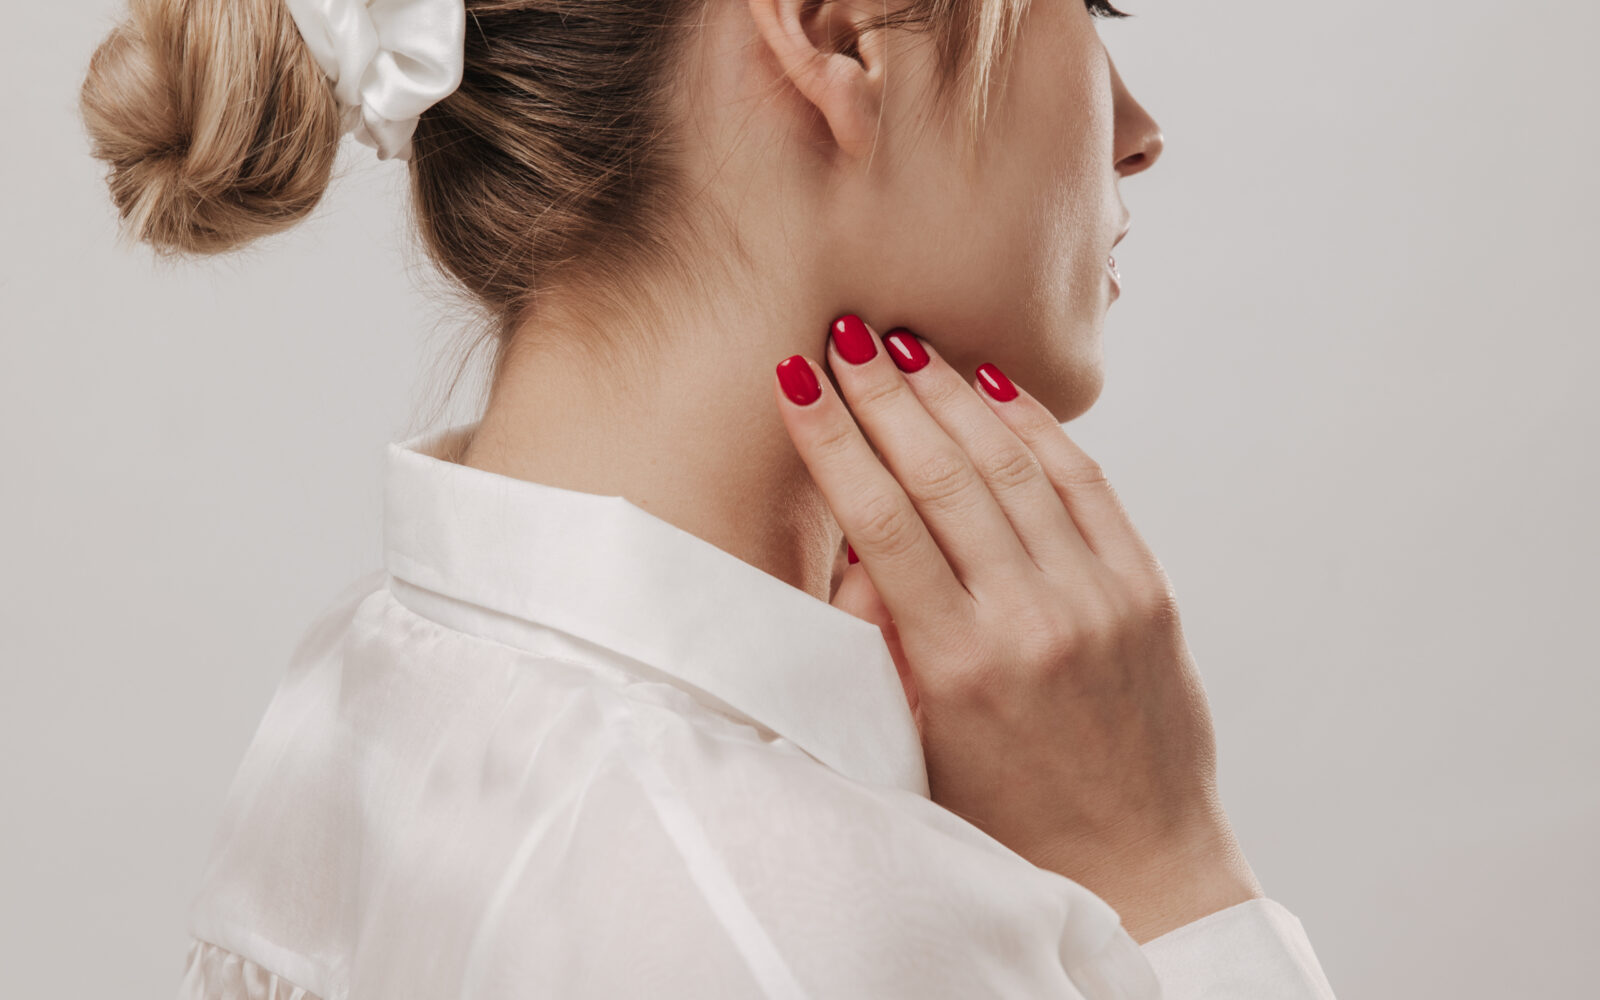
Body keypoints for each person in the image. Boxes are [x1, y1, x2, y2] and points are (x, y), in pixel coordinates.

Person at [80, 0, 1341, 996]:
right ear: (838, 29)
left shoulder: (361, 683)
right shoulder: (804, 918)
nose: (1138, 130)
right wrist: (1167, 881)